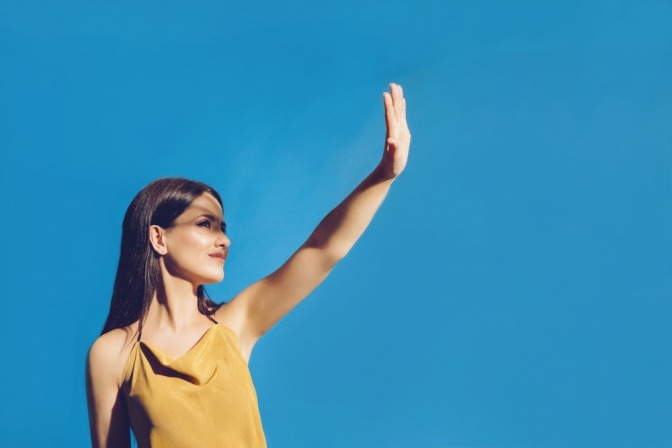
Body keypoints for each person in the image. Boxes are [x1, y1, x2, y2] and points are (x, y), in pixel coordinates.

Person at [85, 83, 411, 448]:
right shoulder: (113, 355)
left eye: (223, 228)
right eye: (205, 224)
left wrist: (384, 173)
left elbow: (323, 250)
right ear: (159, 238)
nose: (223, 240)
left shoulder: (234, 325)